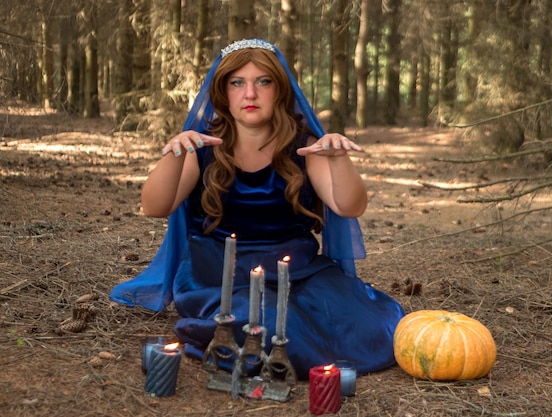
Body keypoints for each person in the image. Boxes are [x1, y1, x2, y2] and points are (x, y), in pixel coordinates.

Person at [110, 39, 405, 379]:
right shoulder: (200, 146)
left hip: (299, 271)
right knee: (260, 322)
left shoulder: (305, 146)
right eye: (238, 83)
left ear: (279, 90)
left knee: (367, 322)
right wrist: (173, 155)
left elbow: (349, 206)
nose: (250, 94)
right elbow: (154, 207)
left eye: (262, 82)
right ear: (224, 92)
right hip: (218, 277)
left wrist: (338, 160)